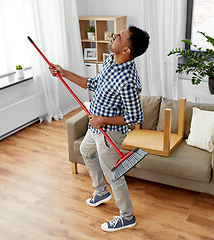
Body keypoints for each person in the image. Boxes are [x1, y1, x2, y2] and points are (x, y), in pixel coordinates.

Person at [49, 25, 150, 232]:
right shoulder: (109, 61)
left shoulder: (127, 81)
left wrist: (103, 120)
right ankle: (101, 191)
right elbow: (92, 83)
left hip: (108, 134)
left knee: (114, 175)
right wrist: (64, 72)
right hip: (94, 126)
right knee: (86, 151)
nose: (114, 35)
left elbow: (135, 117)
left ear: (126, 50)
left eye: (119, 36)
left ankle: (127, 216)